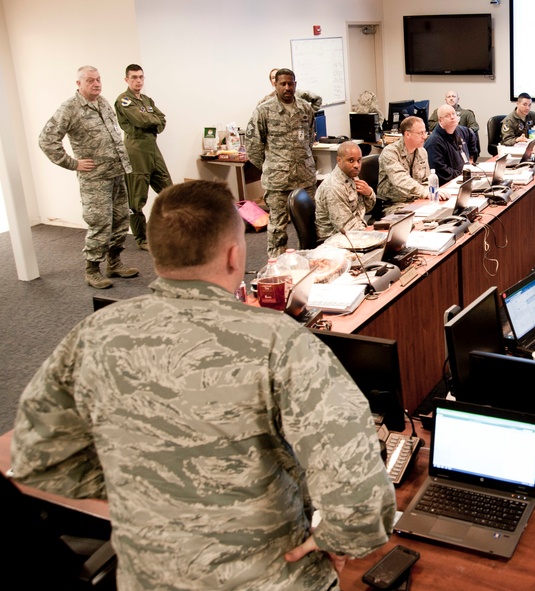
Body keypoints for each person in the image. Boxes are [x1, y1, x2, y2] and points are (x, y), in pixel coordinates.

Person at [10, 180, 396, 590]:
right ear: (234, 255)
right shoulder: (279, 343)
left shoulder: (92, 335)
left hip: (148, 576)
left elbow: (38, 456)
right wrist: (338, 539)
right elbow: (359, 494)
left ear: (156, 252)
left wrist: (142, 486)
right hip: (271, 575)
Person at [39, 65, 139, 290]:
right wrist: (72, 163)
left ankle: (114, 263)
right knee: (100, 224)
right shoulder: (70, 108)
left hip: (116, 173)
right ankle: (92, 270)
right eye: (90, 80)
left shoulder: (102, 102)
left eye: (98, 79)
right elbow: (46, 139)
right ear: (79, 84)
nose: (96, 83)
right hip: (95, 179)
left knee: (121, 220)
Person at [246, 68, 317, 258]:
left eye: (290, 83)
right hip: (278, 181)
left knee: (310, 223)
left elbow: (310, 139)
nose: (287, 87)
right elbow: (253, 146)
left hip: (305, 177)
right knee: (278, 228)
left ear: (295, 84)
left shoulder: (305, 109)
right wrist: (272, 165)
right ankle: (277, 268)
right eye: (282, 84)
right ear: (275, 85)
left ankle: (311, 262)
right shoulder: (263, 111)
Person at [115, 64, 173, 251]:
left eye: (141, 77)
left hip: (152, 148)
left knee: (169, 191)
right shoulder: (124, 100)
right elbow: (140, 120)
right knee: (136, 198)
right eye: (134, 77)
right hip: (136, 150)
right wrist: (151, 120)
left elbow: (161, 120)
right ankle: (141, 238)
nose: (138, 81)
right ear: (127, 80)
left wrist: (152, 121)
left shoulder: (147, 100)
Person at [315, 141, 376, 241]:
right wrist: (372, 232)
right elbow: (347, 227)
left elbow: (366, 209)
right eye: (351, 160)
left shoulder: (352, 176)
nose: (356, 165)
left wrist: (369, 194)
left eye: (359, 160)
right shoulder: (333, 187)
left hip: (354, 232)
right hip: (335, 239)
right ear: (339, 160)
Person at [377, 116, 437, 215]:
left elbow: (426, 180)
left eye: (425, 132)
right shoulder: (390, 152)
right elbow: (400, 179)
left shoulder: (422, 151)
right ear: (407, 134)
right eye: (420, 133)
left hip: (417, 200)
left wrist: (431, 193)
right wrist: (424, 192)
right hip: (394, 204)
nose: (425, 136)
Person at [424, 104, 478, 185]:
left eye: (454, 114)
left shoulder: (461, 130)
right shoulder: (434, 142)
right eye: (447, 116)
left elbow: (471, 135)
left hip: (465, 176)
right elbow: (441, 171)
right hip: (450, 183)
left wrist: (471, 157)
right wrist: (461, 175)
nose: (452, 117)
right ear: (440, 120)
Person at [259, 67, 323, 112]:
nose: (287, 88)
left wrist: (309, 113)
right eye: (273, 78)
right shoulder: (267, 99)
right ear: (272, 82)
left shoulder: (297, 93)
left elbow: (317, 99)